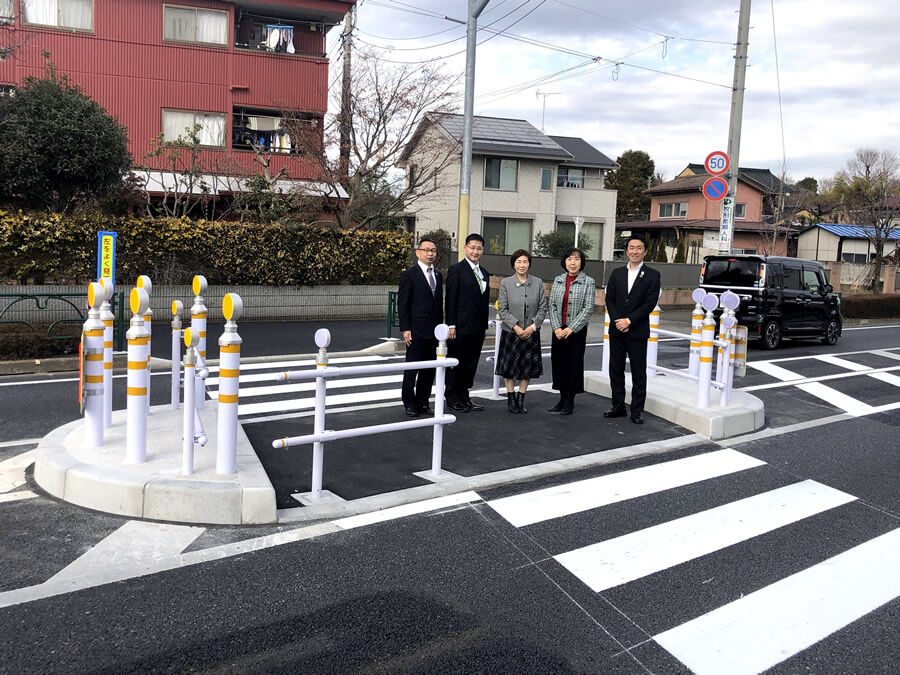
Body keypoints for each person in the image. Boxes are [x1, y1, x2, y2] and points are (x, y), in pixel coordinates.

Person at [603, 234, 661, 424]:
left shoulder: (653, 275)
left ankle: (637, 411)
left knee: (638, 371)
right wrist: (618, 320)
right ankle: (618, 406)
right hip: (617, 330)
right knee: (616, 369)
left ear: (645, 251)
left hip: (637, 330)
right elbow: (609, 299)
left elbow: (649, 303)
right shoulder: (617, 273)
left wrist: (628, 321)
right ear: (626, 251)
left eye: (639, 248)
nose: (635, 251)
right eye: (631, 247)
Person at [496, 249, 547, 414]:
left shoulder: (538, 282)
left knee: (527, 368)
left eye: (525, 261)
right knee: (509, 367)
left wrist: (532, 327)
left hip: (531, 332)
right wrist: (516, 327)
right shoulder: (505, 283)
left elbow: (542, 307)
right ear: (513, 264)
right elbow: (502, 309)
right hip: (512, 332)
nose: (522, 265)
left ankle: (521, 398)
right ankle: (510, 398)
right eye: (518, 262)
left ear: (529, 263)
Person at [397, 237, 443, 417]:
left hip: (434, 330)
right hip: (415, 329)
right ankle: (409, 403)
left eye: (433, 250)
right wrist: (405, 328)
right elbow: (403, 303)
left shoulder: (438, 274)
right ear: (418, 252)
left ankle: (423, 401)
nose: (430, 253)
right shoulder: (409, 274)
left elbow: (438, 303)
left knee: (429, 369)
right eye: (426, 250)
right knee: (412, 368)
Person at [445, 233, 490, 412]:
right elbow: (451, 299)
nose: (475, 251)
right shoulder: (456, 270)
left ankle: (465, 396)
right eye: (472, 247)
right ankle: (452, 397)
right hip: (460, 327)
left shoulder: (484, 272)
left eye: (479, 248)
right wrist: (451, 325)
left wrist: (484, 326)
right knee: (456, 362)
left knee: (471, 363)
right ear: (465, 248)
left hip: (478, 327)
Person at [547, 247, 595, 415]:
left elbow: (588, 308)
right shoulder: (558, 280)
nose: (573, 263)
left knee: (573, 365)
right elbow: (551, 305)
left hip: (576, 331)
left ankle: (570, 401)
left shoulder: (588, 282)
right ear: (564, 262)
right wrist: (557, 328)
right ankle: (561, 398)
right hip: (558, 330)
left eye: (576, 259)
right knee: (559, 364)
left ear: (581, 262)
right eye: (569, 259)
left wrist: (571, 328)